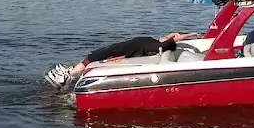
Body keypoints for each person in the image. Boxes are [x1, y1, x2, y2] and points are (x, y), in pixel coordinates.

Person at [44, 29, 201, 89]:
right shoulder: (154, 42)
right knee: (94, 56)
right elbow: (172, 40)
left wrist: (189, 35)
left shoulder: (157, 45)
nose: (170, 35)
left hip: (122, 49)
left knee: (93, 57)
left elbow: (173, 41)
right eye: (171, 33)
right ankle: (69, 74)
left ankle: (68, 75)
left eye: (172, 36)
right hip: (121, 48)